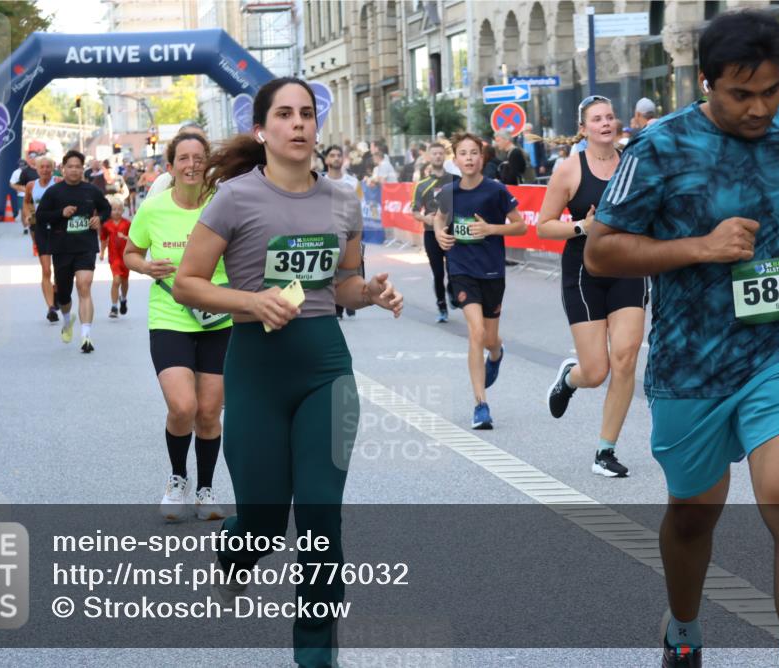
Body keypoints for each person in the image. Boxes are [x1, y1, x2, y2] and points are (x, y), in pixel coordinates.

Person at [584, 11, 779, 667]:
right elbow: (601, 252)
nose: (760, 108)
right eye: (740, 93)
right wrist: (698, 247)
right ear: (705, 82)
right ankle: (684, 625)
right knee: (694, 517)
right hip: (692, 365)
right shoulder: (659, 147)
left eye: (771, 90)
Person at [170, 77, 403, 668]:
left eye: (306, 115)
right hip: (255, 370)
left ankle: (315, 656)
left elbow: (343, 285)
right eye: (285, 115)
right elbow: (187, 282)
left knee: (322, 516)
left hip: (326, 367)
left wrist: (369, 293)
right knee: (268, 522)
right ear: (262, 130)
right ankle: (234, 552)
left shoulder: (343, 199)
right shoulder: (234, 199)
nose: (299, 124)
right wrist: (251, 302)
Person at [538, 95, 648, 478]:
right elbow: (544, 225)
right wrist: (583, 226)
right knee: (596, 370)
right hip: (584, 271)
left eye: (610, 117)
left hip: (628, 266)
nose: (606, 123)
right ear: (583, 129)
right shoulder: (569, 170)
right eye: (597, 119)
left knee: (626, 356)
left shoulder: (634, 166)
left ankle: (605, 450)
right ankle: (570, 378)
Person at [124, 132, 227, 522]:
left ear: (207, 164)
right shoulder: (153, 209)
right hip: (169, 317)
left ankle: (205, 490)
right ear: (170, 167)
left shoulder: (222, 206)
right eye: (183, 158)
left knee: (209, 411)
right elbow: (131, 253)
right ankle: (177, 479)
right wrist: (146, 266)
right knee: (182, 406)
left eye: (198, 158)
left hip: (219, 318)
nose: (191, 165)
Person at [434, 133, 526, 429]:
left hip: (492, 272)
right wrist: (439, 233)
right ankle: (481, 405)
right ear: (456, 159)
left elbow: (521, 226)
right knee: (475, 332)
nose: (470, 158)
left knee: (488, 338)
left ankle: (496, 353)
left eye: (474, 152)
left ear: (482, 157)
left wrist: (490, 228)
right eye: (463, 153)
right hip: (461, 270)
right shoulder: (448, 192)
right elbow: (439, 217)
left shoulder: (495, 190)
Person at [35, 150, 111, 353]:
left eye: (78, 166)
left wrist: (99, 219)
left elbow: (106, 209)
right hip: (62, 248)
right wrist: (61, 213)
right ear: (63, 168)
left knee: (84, 286)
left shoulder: (91, 191)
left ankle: (86, 336)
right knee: (64, 296)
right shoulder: (54, 192)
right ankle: (67, 320)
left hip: (86, 246)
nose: (74, 170)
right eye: (70, 166)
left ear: (82, 169)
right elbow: (40, 216)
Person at [412, 142, 457, 322]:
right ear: (429, 157)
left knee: (453, 269)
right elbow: (415, 211)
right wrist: (425, 218)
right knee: (438, 273)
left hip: (451, 231)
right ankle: (442, 307)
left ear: (444, 156)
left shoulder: (455, 180)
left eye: (440, 153)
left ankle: (452, 292)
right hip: (431, 233)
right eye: (434, 154)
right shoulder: (422, 185)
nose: (438, 156)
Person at [323, 144, 363, 320]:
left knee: (352, 267)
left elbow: (359, 206)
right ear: (326, 160)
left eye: (339, 155)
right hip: (330, 234)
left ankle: (351, 301)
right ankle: (338, 307)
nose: (336, 158)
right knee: (334, 271)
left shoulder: (353, 183)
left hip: (351, 232)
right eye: (332, 155)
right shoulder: (320, 182)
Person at [23, 156, 60, 322]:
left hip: (59, 229)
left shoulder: (58, 182)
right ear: (37, 169)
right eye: (42, 167)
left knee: (60, 271)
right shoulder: (31, 185)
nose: (45, 170)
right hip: (41, 229)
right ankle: (51, 307)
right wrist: (28, 214)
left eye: (48, 167)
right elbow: (26, 202)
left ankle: (57, 292)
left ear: (52, 169)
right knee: (46, 270)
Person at [147, 123, 207, 198]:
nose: (191, 164)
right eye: (186, 139)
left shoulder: (218, 181)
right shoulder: (162, 183)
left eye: (199, 140)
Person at [100, 197, 131, 318]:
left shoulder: (127, 224)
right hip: (114, 257)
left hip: (126, 257)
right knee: (116, 280)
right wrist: (102, 252)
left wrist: (125, 237)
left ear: (123, 210)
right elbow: (103, 239)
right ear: (110, 211)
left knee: (124, 281)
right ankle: (114, 306)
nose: (116, 212)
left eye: (119, 209)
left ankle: (123, 299)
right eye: (114, 209)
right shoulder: (107, 225)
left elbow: (134, 239)